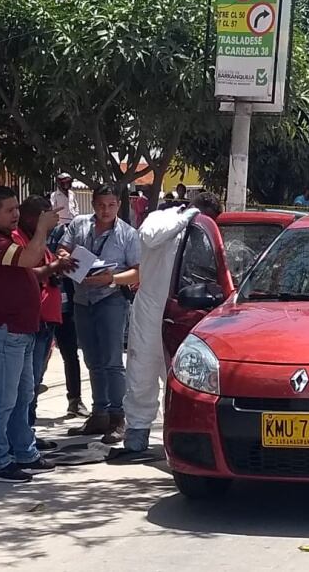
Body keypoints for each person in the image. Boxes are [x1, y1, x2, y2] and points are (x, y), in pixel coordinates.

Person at [0, 186, 62, 482]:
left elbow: (28, 271)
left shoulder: (5, 237)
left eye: (16, 208)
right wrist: (41, 229)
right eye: (10, 210)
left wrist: (53, 267)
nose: (16, 215)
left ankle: (24, 452)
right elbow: (28, 259)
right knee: (2, 400)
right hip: (4, 332)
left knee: (23, 396)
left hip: (21, 330)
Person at [123, 192, 222, 452]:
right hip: (151, 307)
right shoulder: (163, 218)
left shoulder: (204, 235)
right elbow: (149, 237)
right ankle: (137, 430)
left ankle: (179, 437)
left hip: (186, 310)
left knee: (183, 377)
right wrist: (187, 218)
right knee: (141, 370)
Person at [59, 185, 140, 444]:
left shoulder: (128, 234)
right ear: (93, 204)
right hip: (82, 299)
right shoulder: (79, 225)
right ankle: (99, 413)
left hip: (111, 300)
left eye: (111, 205)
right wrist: (63, 256)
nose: (106, 210)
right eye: (101, 205)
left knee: (112, 361)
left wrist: (111, 278)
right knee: (92, 360)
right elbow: (63, 248)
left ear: (118, 205)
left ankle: (118, 416)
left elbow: (139, 271)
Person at [14, 196, 72, 451]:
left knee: (34, 383)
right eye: (46, 215)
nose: (52, 219)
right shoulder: (20, 238)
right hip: (32, 320)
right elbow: (27, 274)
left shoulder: (41, 240)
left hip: (46, 319)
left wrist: (57, 264)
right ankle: (21, 437)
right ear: (32, 217)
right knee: (26, 385)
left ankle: (28, 433)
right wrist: (54, 267)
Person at [47, 223, 89, 418]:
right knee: (37, 360)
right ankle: (28, 407)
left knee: (71, 355)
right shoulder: (30, 239)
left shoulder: (62, 236)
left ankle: (75, 400)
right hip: (43, 308)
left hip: (66, 307)